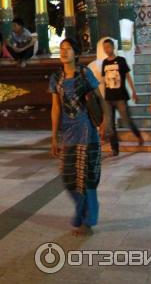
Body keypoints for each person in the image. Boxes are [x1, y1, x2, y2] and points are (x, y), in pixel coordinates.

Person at [50, 37, 102, 235]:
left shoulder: (84, 73)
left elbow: (99, 98)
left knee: (86, 178)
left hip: (87, 130)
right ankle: (82, 214)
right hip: (68, 133)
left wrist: (105, 124)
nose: (64, 52)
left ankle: (87, 220)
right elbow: (55, 108)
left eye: (68, 48)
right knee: (68, 177)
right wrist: (54, 136)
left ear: (76, 53)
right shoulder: (56, 78)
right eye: (62, 49)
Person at [101, 37, 143, 156]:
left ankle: (138, 135)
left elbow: (128, 76)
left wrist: (134, 91)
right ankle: (115, 148)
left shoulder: (121, 60)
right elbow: (104, 80)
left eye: (108, 47)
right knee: (110, 124)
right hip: (108, 97)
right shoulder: (104, 62)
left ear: (113, 47)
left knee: (126, 120)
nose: (106, 49)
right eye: (104, 48)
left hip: (120, 96)